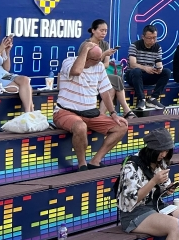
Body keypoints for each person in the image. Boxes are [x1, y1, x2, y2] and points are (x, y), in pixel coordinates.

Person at [116, 128, 179, 240]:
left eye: (167, 151)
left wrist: (167, 189)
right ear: (152, 149)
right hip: (134, 213)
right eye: (161, 151)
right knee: (175, 226)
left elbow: (161, 190)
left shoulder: (160, 163)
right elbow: (131, 200)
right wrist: (154, 181)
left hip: (155, 206)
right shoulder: (131, 166)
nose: (163, 155)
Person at [53, 41, 128, 170]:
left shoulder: (99, 66)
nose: (99, 61)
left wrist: (113, 113)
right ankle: (82, 165)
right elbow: (76, 71)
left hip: (90, 113)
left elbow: (105, 92)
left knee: (121, 126)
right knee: (80, 126)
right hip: (65, 112)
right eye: (96, 59)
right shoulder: (69, 62)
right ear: (86, 57)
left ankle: (95, 161)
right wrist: (86, 48)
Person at [83, 20, 135, 118]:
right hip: (87, 75)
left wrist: (103, 58)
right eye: (101, 30)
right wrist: (103, 54)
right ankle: (126, 110)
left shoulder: (105, 44)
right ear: (93, 30)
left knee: (111, 88)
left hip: (100, 74)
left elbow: (106, 65)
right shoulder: (86, 45)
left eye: (105, 31)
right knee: (116, 80)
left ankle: (101, 114)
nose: (104, 33)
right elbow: (85, 65)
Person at [127, 24, 167, 111]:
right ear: (143, 37)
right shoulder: (135, 45)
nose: (152, 40)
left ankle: (153, 99)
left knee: (166, 72)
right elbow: (132, 64)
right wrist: (145, 68)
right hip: (134, 76)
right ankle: (141, 99)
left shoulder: (157, 47)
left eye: (154, 38)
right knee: (136, 71)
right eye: (149, 38)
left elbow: (159, 62)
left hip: (148, 74)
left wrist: (159, 69)